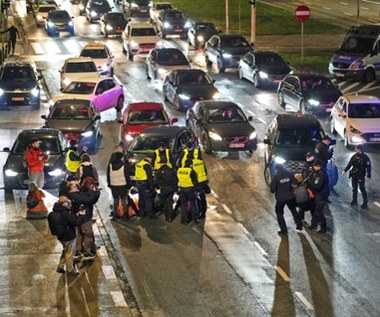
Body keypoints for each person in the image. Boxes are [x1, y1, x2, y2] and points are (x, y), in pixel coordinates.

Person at [67, 181, 100, 261]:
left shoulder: (76, 195)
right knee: (87, 234)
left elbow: (89, 199)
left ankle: (78, 251)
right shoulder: (75, 196)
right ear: (72, 188)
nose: (77, 186)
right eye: (75, 186)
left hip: (81, 218)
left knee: (80, 234)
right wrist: (94, 192)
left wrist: (95, 192)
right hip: (84, 219)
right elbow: (89, 200)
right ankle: (87, 253)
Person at [54, 196, 85, 275]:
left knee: (65, 251)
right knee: (70, 253)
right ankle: (70, 270)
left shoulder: (57, 210)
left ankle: (60, 267)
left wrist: (76, 215)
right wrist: (81, 216)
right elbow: (75, 223)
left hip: (61, 236)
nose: (69, 204)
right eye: (67, 202)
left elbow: (69, 219)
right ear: (64, 203)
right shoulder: (65, 213)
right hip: (68, 236)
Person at [270, 164, 303, 234]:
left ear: (276, 170)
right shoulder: (289, 174)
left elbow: (272, 190)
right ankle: (299, 225)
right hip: (290, 197)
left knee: (279, 212)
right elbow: (296, 183)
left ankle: (283, 230)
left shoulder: (276, 178)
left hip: (280, 199)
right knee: (293, 210)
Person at [342, 144, 371, 209]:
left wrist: (368, 175)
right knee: (354, 188)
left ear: (358, 149)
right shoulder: (354, 156)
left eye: (356, 148)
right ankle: (354, 200)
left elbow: (368, 167)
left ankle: (365, 203)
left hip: (360, 175)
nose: (355, 149)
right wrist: (345, 170)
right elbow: (350, 164)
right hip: (354, 174)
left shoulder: (365, 157)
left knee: (362, 189)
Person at [107, 151, 132, 220]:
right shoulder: (124, 166)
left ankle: (115, 215)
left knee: (115, 201)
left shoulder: (110, 165)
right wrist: (129, 186)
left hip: (114, 185)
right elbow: (127, 177)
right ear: (121, 158)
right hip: (123, 186)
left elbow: (108, 176)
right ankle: (126, 215)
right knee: (124, 200)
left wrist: (109, 184)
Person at [308, 159, 330, 234]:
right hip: (315, 193)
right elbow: (310, 180)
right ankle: (314, 224)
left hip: (321, 194)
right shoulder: (315, 172)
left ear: (319, 166)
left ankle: (323, 228)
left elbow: (317, 186)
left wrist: (311, 184)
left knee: (319, 212)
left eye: (315, 166)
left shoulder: (322, 174)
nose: (313, 167)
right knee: (314, 209)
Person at [177, 159, 199, 224]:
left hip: (182, 189)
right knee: (194, 204)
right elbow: (195, 181)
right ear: (190, 165)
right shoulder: (191, 171)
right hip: (190, 189)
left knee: (183, 205)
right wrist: (197, 189)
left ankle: (184, 220)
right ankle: (194, 219)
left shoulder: (179, 170)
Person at [135, 154, 155, 218]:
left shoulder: (139, 163)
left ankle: (142, 213)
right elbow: (149, 176)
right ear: (150, 159)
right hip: (145, 183)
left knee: (141, 199)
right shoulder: (147, 165)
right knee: (148, 199)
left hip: (138, 183)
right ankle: (150, 214)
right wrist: (151, 185)